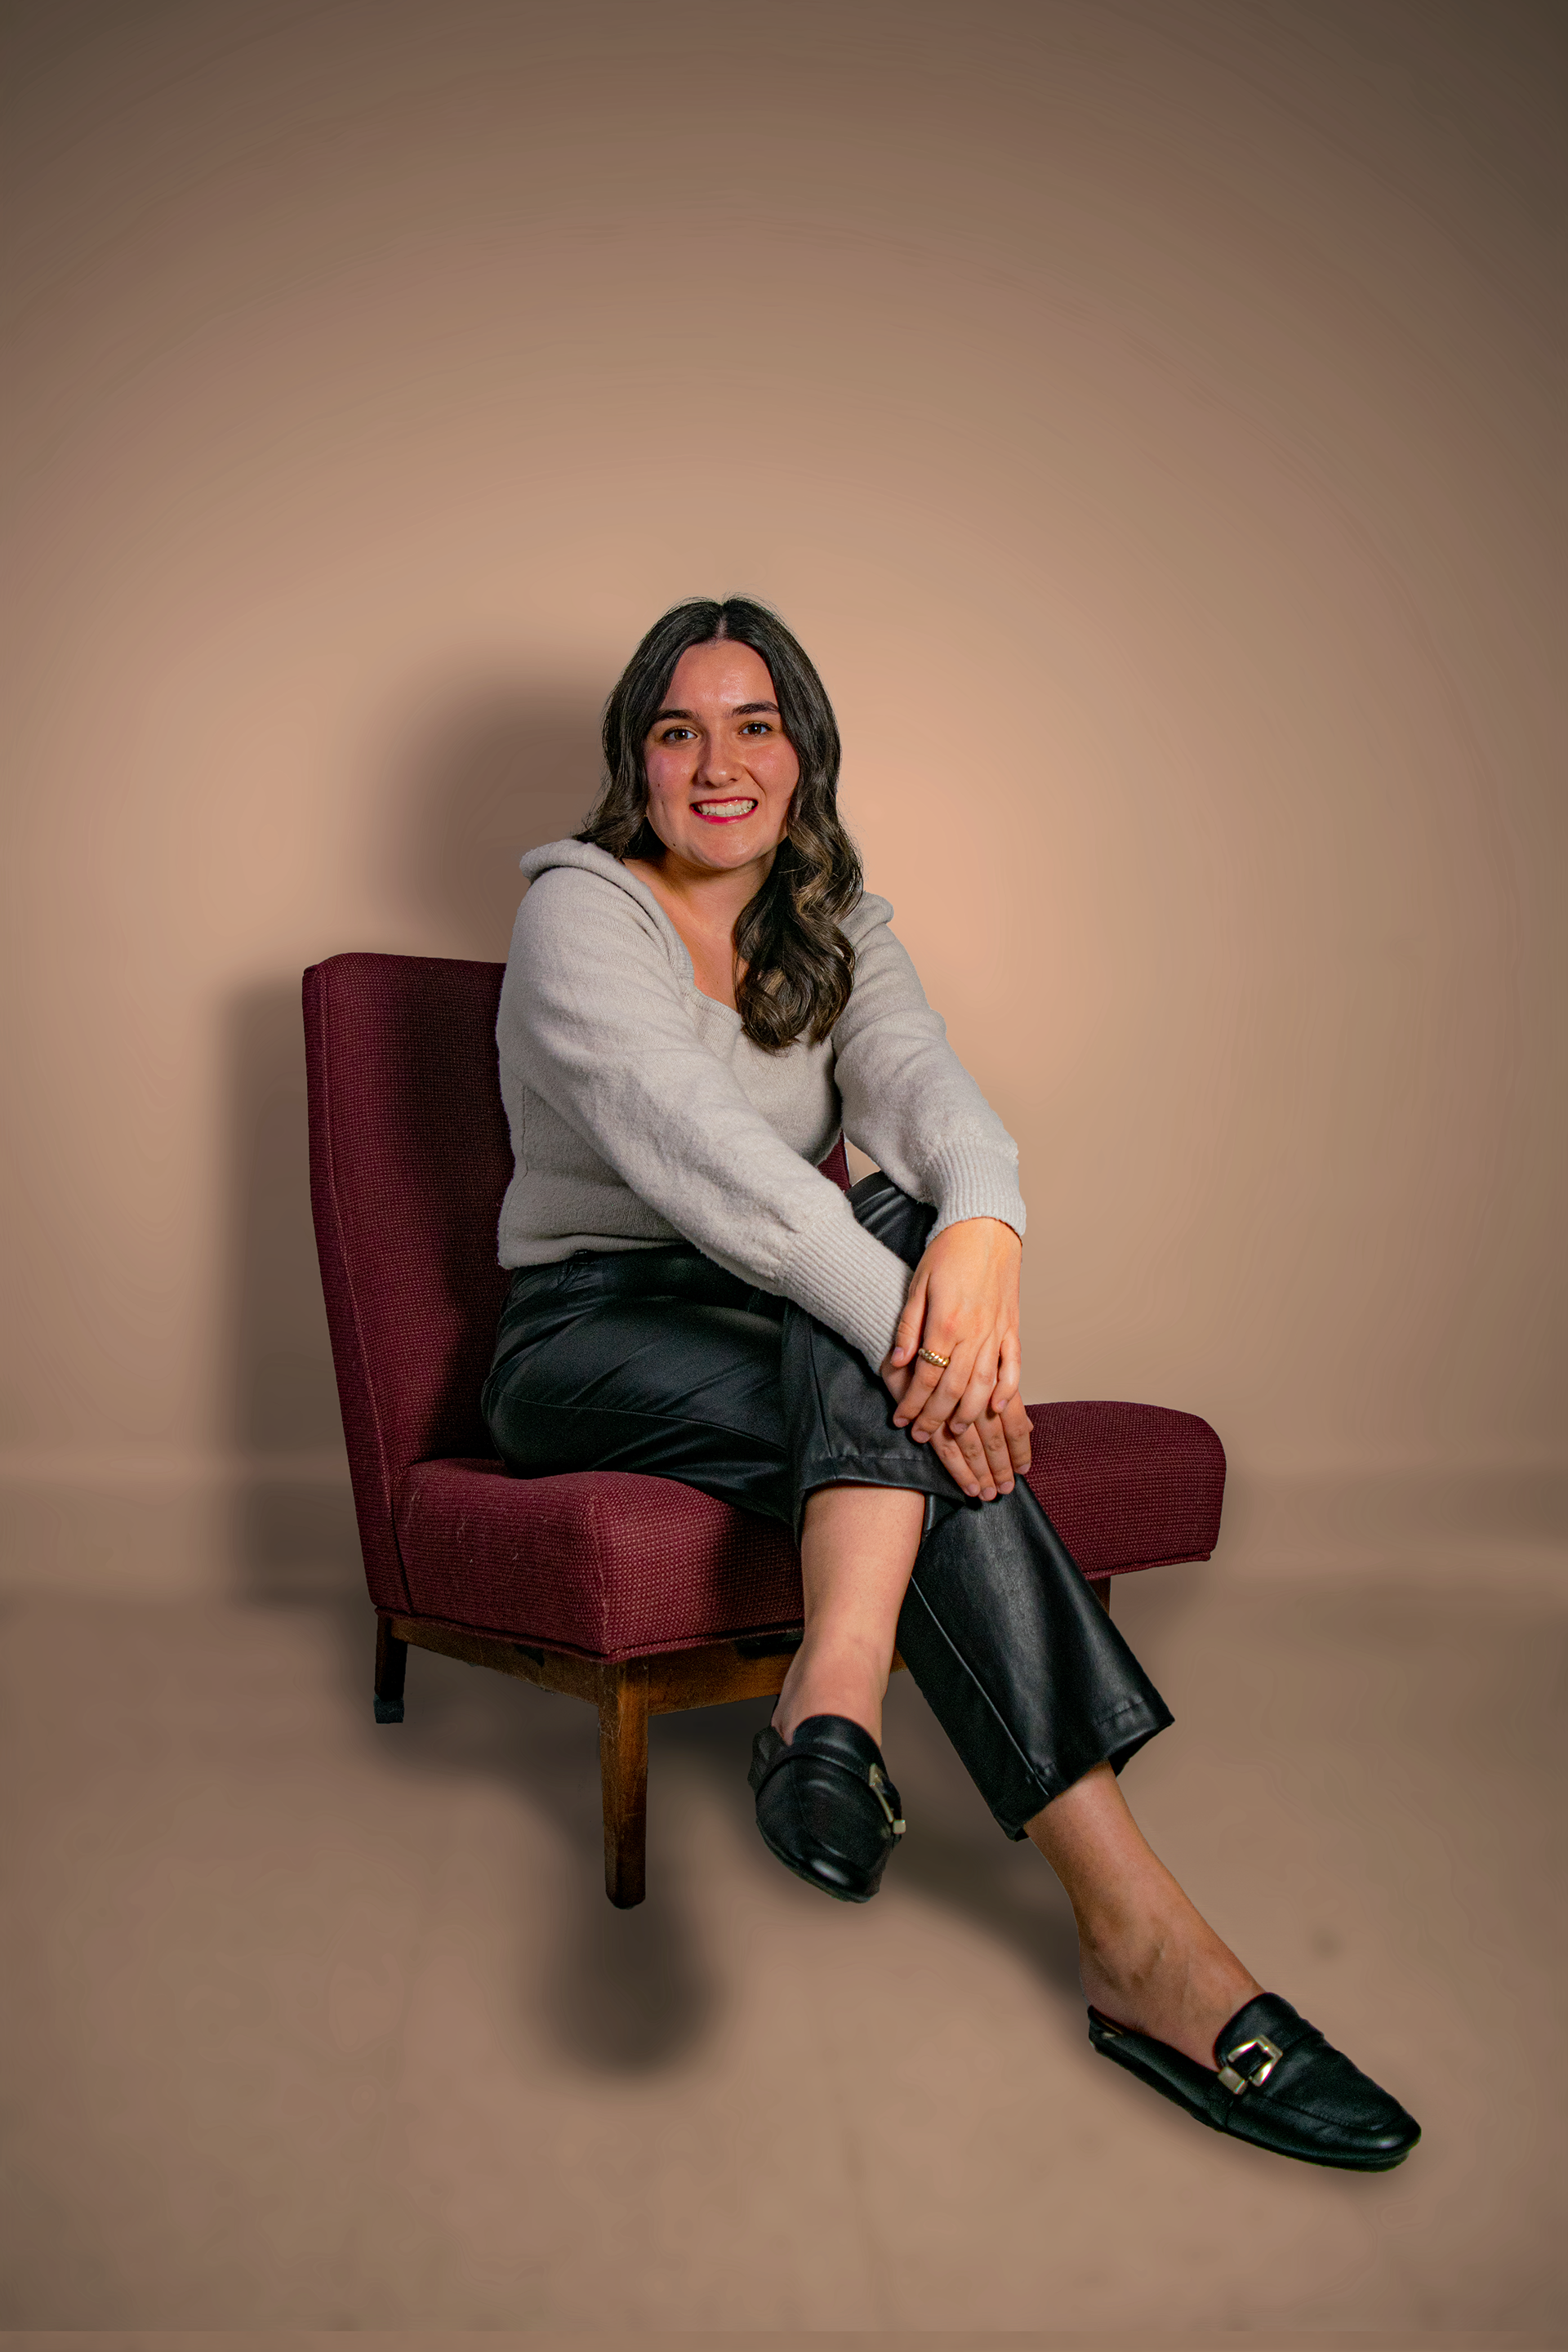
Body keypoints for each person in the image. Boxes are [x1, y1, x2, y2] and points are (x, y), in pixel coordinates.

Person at [482, 596, 1419, 2172]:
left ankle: (830, 1715)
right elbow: (716, 1174)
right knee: (886, 1325)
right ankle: (1140, 1939)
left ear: (805, 753)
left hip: (791, 1317)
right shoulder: (579, 916)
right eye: (678, 731)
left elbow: (924, 1088)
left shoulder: (834, 922)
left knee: (909, 1218)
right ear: (634, 760)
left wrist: (984, 1224)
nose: (719, 763)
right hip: (588, 1335)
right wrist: (928, 1349)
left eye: (756, 726)